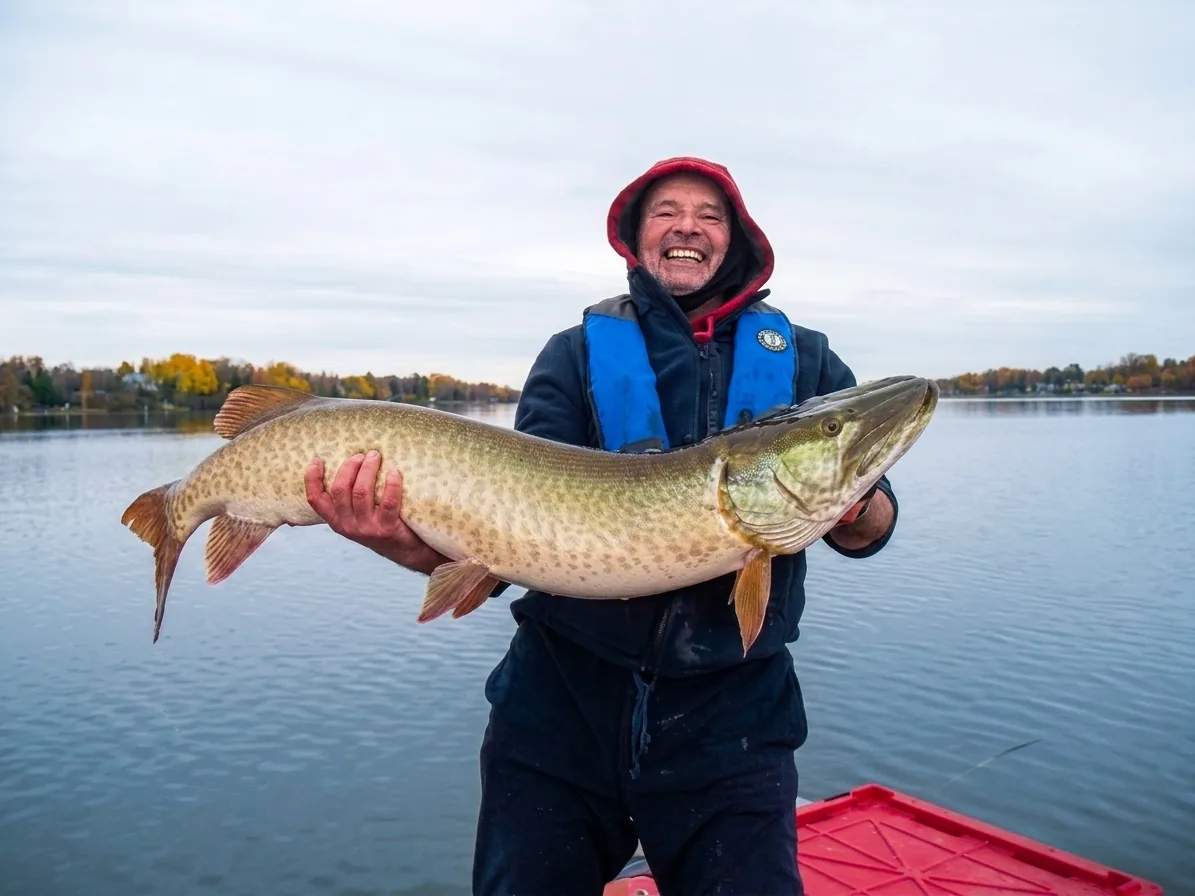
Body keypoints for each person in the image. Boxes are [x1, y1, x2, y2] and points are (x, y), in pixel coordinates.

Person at [304, 156, 899, 896]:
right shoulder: (576, 353)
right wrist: (391, 537)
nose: (687, 227)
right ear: (636, 238)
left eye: (709, 215)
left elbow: (869, 530)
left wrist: (856, 505)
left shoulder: (806, 359)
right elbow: (495, 544)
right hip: (559, 712)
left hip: (734, 721)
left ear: (736, 240)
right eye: (666, 212)